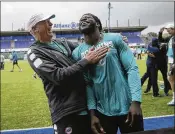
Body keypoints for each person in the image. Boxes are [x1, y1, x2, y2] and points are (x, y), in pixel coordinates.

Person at [26, 13, 108, 134]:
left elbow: (85, 48)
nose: (51, 24)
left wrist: (109, 39)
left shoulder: (62, 42)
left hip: (86, 106)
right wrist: (86, 61)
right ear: (35, 29)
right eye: (46, 22)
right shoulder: (34, 52)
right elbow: (58, 76)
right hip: (66, 112)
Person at [72, 13, 143, 134]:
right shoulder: (77, 52)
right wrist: (92, 114)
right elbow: (88, 84)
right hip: (102, 112)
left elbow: (132, 68)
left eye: (88, 18)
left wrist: (136, 101)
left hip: (128, 107)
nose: (83, 19)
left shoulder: (115, 39)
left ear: (98, 24)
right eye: (81, 19)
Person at [159, 24, 175, 106]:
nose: (167, 31)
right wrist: (160, 33)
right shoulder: (170, 38)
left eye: (169, 29)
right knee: (170, 78)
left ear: (173, 29)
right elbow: (161, 40)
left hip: (173, 61)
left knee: (170, 78)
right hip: (170, 60)